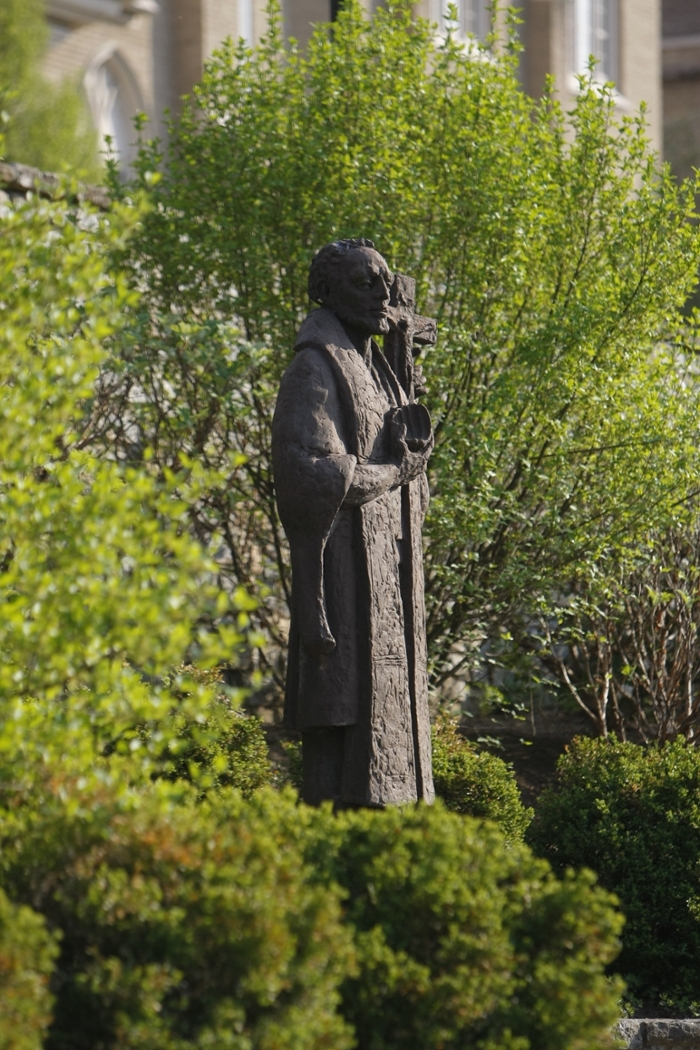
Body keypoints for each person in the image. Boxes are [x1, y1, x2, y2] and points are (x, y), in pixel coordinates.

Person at [272, 238, 435, 806]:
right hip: (344, 583)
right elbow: (311, 476)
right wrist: (394, 469)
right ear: (325, 292)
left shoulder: (381, 373)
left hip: (388, 588)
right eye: (365, 282)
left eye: (385, 282)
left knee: (390, 738)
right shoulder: (314, 368)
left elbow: (412, 481)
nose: (382, 293)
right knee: (339, 745)